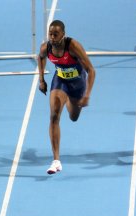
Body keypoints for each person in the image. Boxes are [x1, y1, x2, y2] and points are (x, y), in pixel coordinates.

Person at [37, 20, 95, 174]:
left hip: (77, 84)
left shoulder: (73, 46)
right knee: (54, 116)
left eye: (56, 34)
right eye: (50, 33)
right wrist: (41, 80)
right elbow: (41, 57)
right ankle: (56, 161)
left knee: (73, 117)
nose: (52, 37)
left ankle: (69, 100)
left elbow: (91, 70)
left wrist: (87, 95)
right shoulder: (46, 47)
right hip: (60, 81)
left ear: (63, 34)